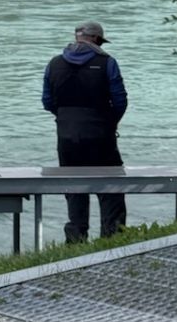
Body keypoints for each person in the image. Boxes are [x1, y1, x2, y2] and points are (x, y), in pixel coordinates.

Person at [41, 19, 128, 241]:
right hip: (101, 136)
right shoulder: (107, 62)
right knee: (111, 187)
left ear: (77, 37)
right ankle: (113, 238)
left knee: (74, 186)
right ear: (97, 39)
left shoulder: (54, 63)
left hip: (67, 136)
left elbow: (47, 101)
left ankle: (76, 240)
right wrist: (110, 122)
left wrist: (66, 119)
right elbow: (120, 100)